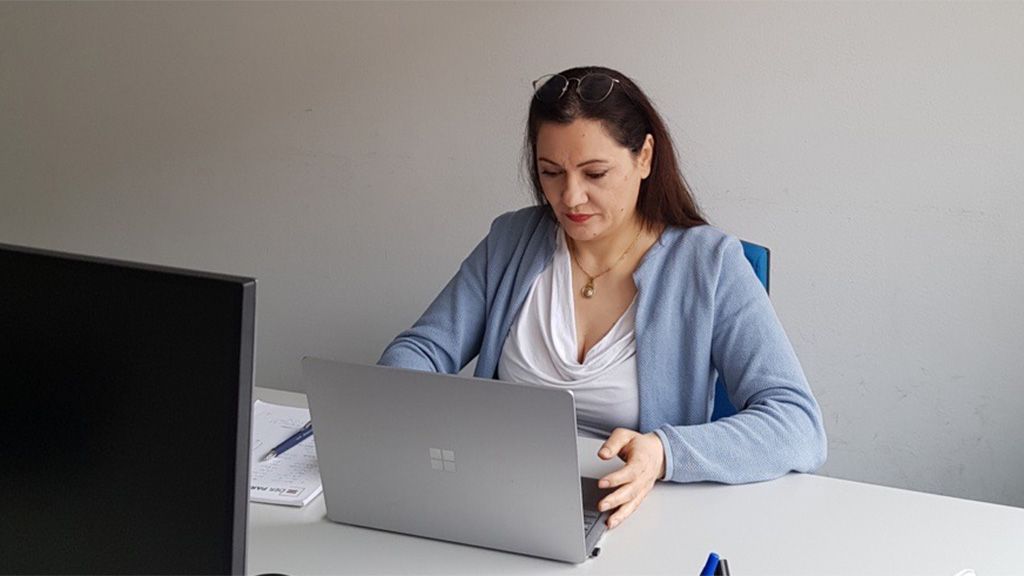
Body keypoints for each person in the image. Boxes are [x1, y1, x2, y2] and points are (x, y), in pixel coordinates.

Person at [379, 65, 827, 529]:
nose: (570, 197)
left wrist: (664, 452)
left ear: (645, 157)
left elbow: (796, 425)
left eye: (595, 173)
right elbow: (421, 349)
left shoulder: (710, 264)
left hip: (634, 514)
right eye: (550, 172)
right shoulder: (513, 239)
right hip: (494, 496)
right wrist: (423, 421)